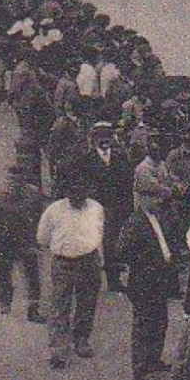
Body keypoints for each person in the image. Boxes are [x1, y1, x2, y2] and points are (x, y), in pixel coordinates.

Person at [36, 169, 105, 369]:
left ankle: (81, 339)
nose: (77, 194)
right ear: (66, 191)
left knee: (87, 303)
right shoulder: (54, 210)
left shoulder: (96, 209)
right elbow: (42, 238)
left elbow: (99, 234)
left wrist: (98, 258)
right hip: (64, 263)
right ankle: (59, 350)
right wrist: (64, 250)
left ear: (88, 190)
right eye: (73, 190)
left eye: (82, 190)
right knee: (59, 307)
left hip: (89, 261)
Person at [116, 176, 180, 380]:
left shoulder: (156, 217)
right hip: (144, 280)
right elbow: (122, 251)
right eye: (153, 197)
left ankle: (154, 359)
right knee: (145, 323)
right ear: (141, 197)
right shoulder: (135, 222)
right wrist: (144, 263)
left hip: (159, 278)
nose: (158, 200)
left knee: (159, 321)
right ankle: (142, 368)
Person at [0, 163, 45, 322]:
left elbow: (41, 218)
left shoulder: (34, 195)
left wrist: (39, 239)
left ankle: (33, 307)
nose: (14, 184)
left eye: (18, 180)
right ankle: (5, 302)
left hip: (26, 240)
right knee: (4, 273)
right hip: (5, 240)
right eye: (11, 180)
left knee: (32, 275)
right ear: (7, 181)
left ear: (23, 180)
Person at [79, 122, 133, 292]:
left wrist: (127, 208)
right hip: (94, 208)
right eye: (100, 137)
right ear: (94, 140)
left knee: (112, 244)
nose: (104, 141)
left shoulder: (120, 158)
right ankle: (89, 280)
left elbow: (126, 184)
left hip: (115, 208)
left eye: (107, 137)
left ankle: (113, 279)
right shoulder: (87, 160)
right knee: (90, 242)